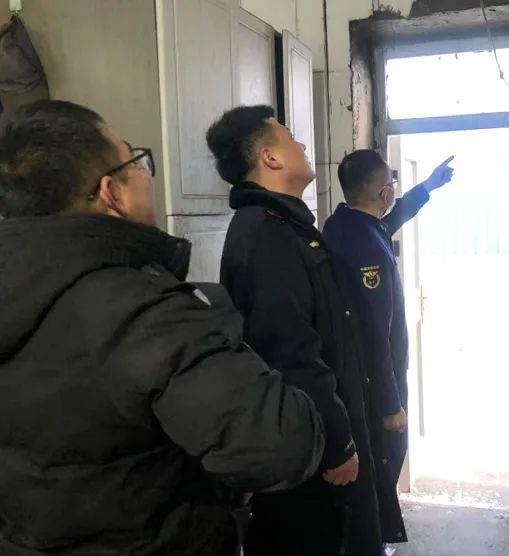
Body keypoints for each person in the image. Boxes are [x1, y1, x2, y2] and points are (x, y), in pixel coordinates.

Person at [0, 100, 325, 556]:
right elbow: (280, 444)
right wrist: (214, 321)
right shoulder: (142, 308)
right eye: (136, 160)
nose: (146, 174)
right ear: (112, 193)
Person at [207, 105, 383, 556]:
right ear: (270, 158)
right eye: (290, 138)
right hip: (308, 447)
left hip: (317, 434)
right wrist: (338, 442)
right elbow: (290, 355)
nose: (302, 144)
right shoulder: (267, 236)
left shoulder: (287, 226)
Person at [323, 150, 455, 549]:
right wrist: (390, 403)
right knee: (382, 466)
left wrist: (427, 186)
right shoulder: (369, 251)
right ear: (383, 194)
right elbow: (375, 333)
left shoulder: (342, 226)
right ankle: (374, 544)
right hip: (372, 388)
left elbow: (391, 220)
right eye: (392, 187)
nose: (393, 194)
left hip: (356, 382)